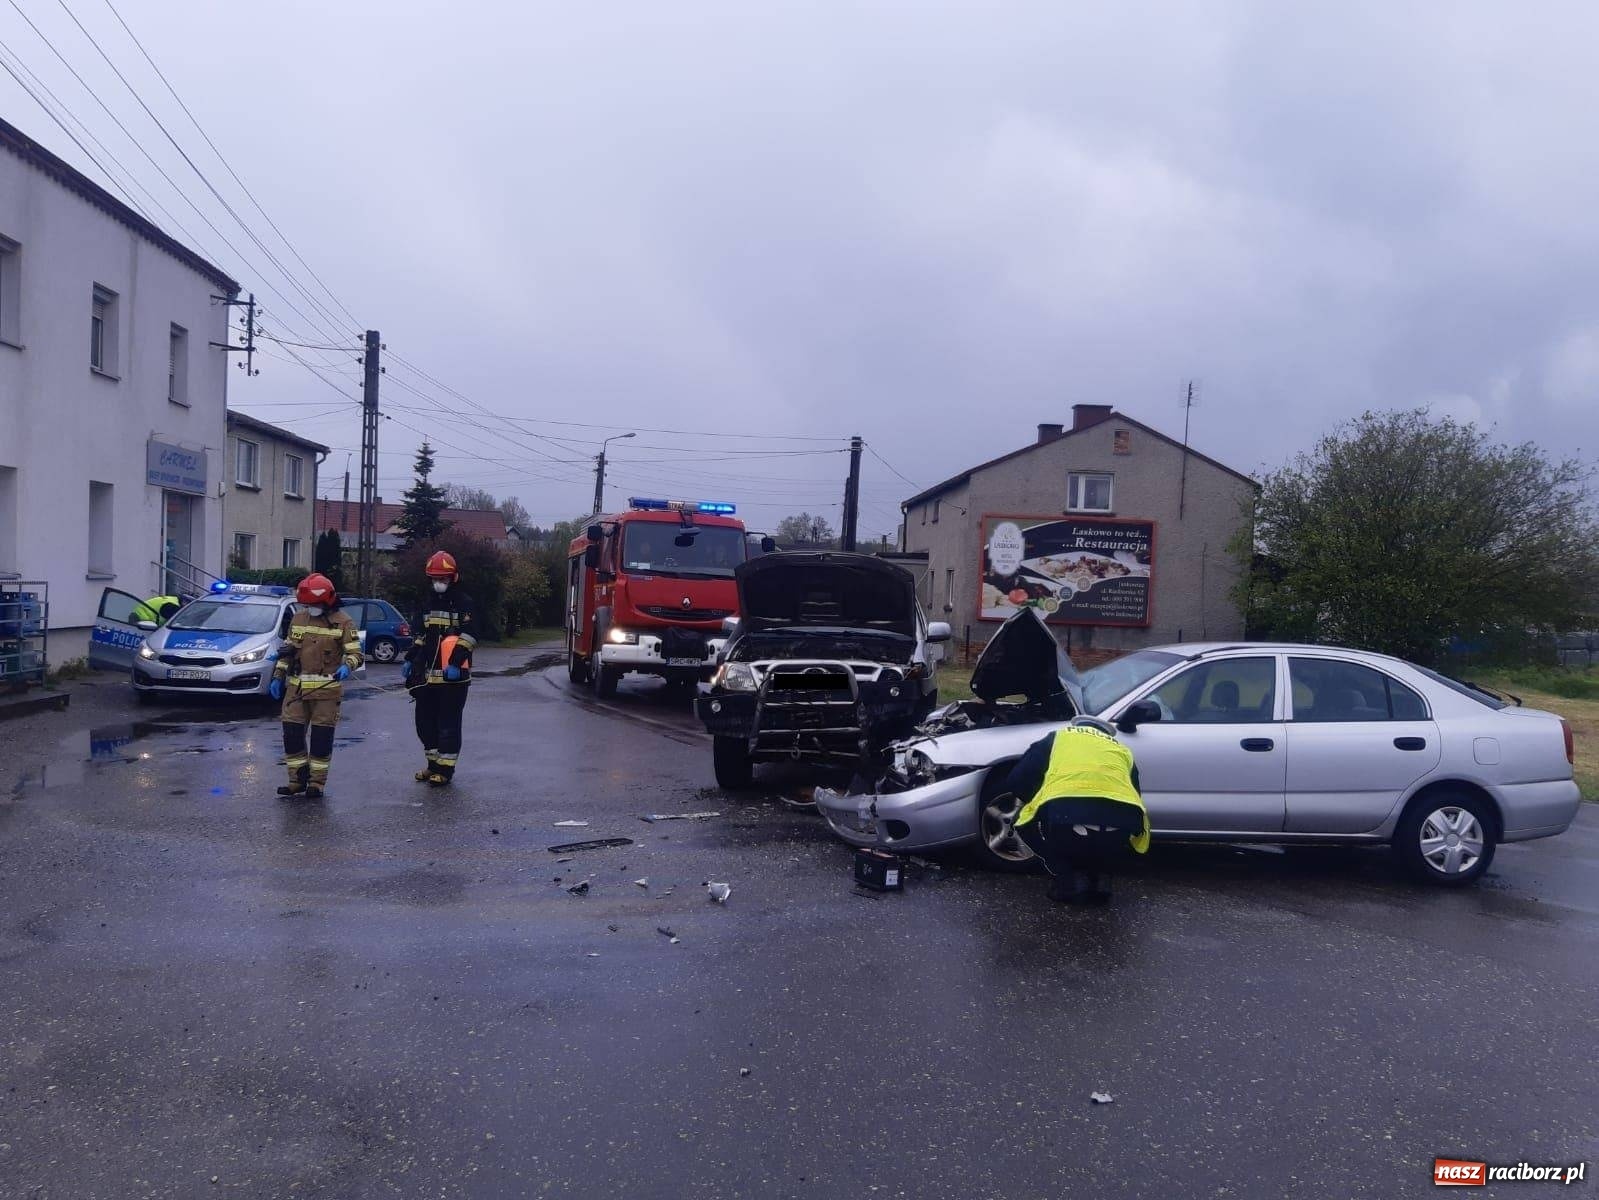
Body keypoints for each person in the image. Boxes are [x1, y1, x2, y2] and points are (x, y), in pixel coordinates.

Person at [1004, 715, 1149, 904]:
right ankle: (1102, 878)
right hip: (1121, 823)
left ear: (1077, 726)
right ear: (1106, 734)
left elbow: (1017, 780)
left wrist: (1042, 802)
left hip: (1067, 818)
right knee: (1109, 836)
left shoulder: (1058, 737)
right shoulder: (1121, 749)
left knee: (1023, 821)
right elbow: (1134, 792)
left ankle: (1067, 878)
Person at [270, 573, 362, 799]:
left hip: (326, 692)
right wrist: (278, 675)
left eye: (315, 604)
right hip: (297, 690)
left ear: (328, 601)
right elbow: (288, 651)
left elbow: (356, 654)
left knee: (321, 739)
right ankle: (296, 780)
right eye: (307, 605)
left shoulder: (344, 622)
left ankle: (316, 784)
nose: (311, 608)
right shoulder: (299, 619)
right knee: (292, 734)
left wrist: (347, 667)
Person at [402, 551, 477, 786]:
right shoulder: (427, 603)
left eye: (443, 579)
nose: (439, 583)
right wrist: (410, 658)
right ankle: (432, 765)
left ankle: (445, 770)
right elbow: (421, 636)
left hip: (453, 678)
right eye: (435, 579)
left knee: (448, 724)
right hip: (427, 677)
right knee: (425, 724)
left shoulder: (464, 603)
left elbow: (470, 636)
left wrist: (455, 663)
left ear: (453, 577)